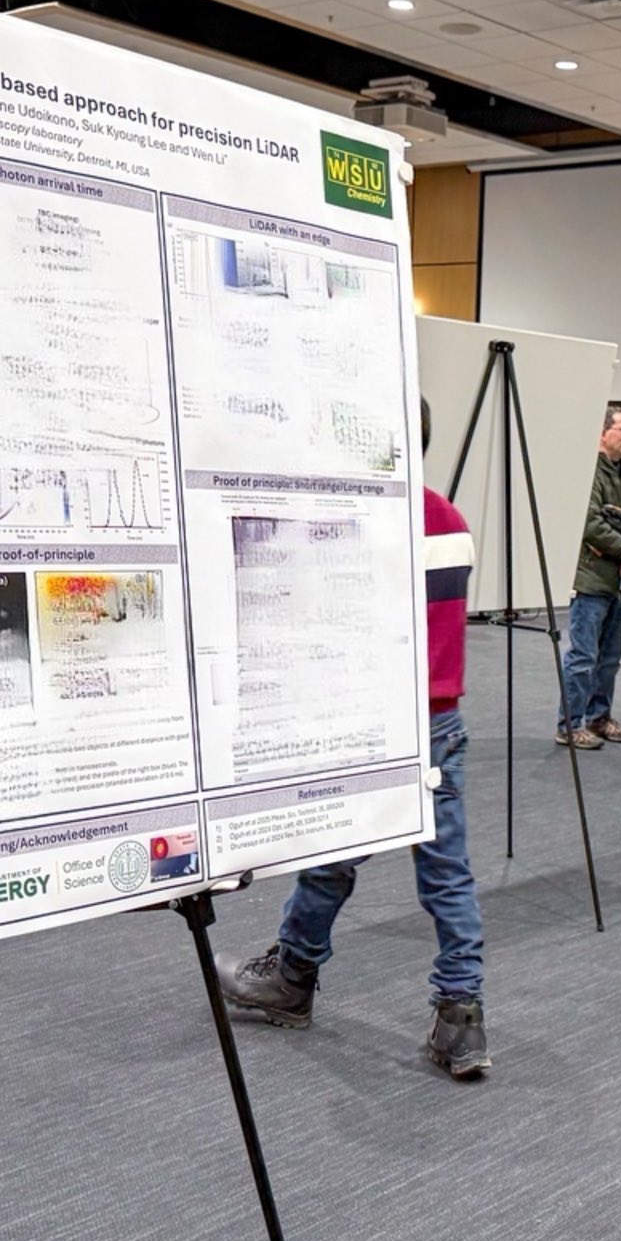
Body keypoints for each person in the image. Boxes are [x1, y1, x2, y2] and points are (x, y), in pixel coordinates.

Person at [221, 398, 489, 1080]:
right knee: (446, 874)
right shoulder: (451, 521)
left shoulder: (356, 525)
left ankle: (294, 975)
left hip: (373, 718)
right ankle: (461, 1016)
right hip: (438, 722)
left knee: (330, 854)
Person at [556, 405, 621, 751]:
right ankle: (569, 725)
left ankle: (599, 717)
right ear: (603, 434)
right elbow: (591, 525)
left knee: (610, 659)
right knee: (583, 657)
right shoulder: (588, 475)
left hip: (620, 584)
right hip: (591, 584)